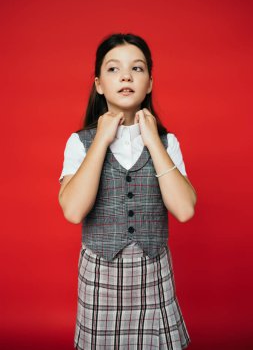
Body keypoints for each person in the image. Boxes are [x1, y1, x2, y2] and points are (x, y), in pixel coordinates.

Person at [58, 32, 197, 350]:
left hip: (153, 272)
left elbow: (185, 210)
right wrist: (101, 139)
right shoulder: (78, 143)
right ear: (98, 84)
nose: (125, 76)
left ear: (148, 83)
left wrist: (152, 140)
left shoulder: (167, 143)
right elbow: (74, 210)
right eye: (113, 69)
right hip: (100, 275)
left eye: (137, 68)